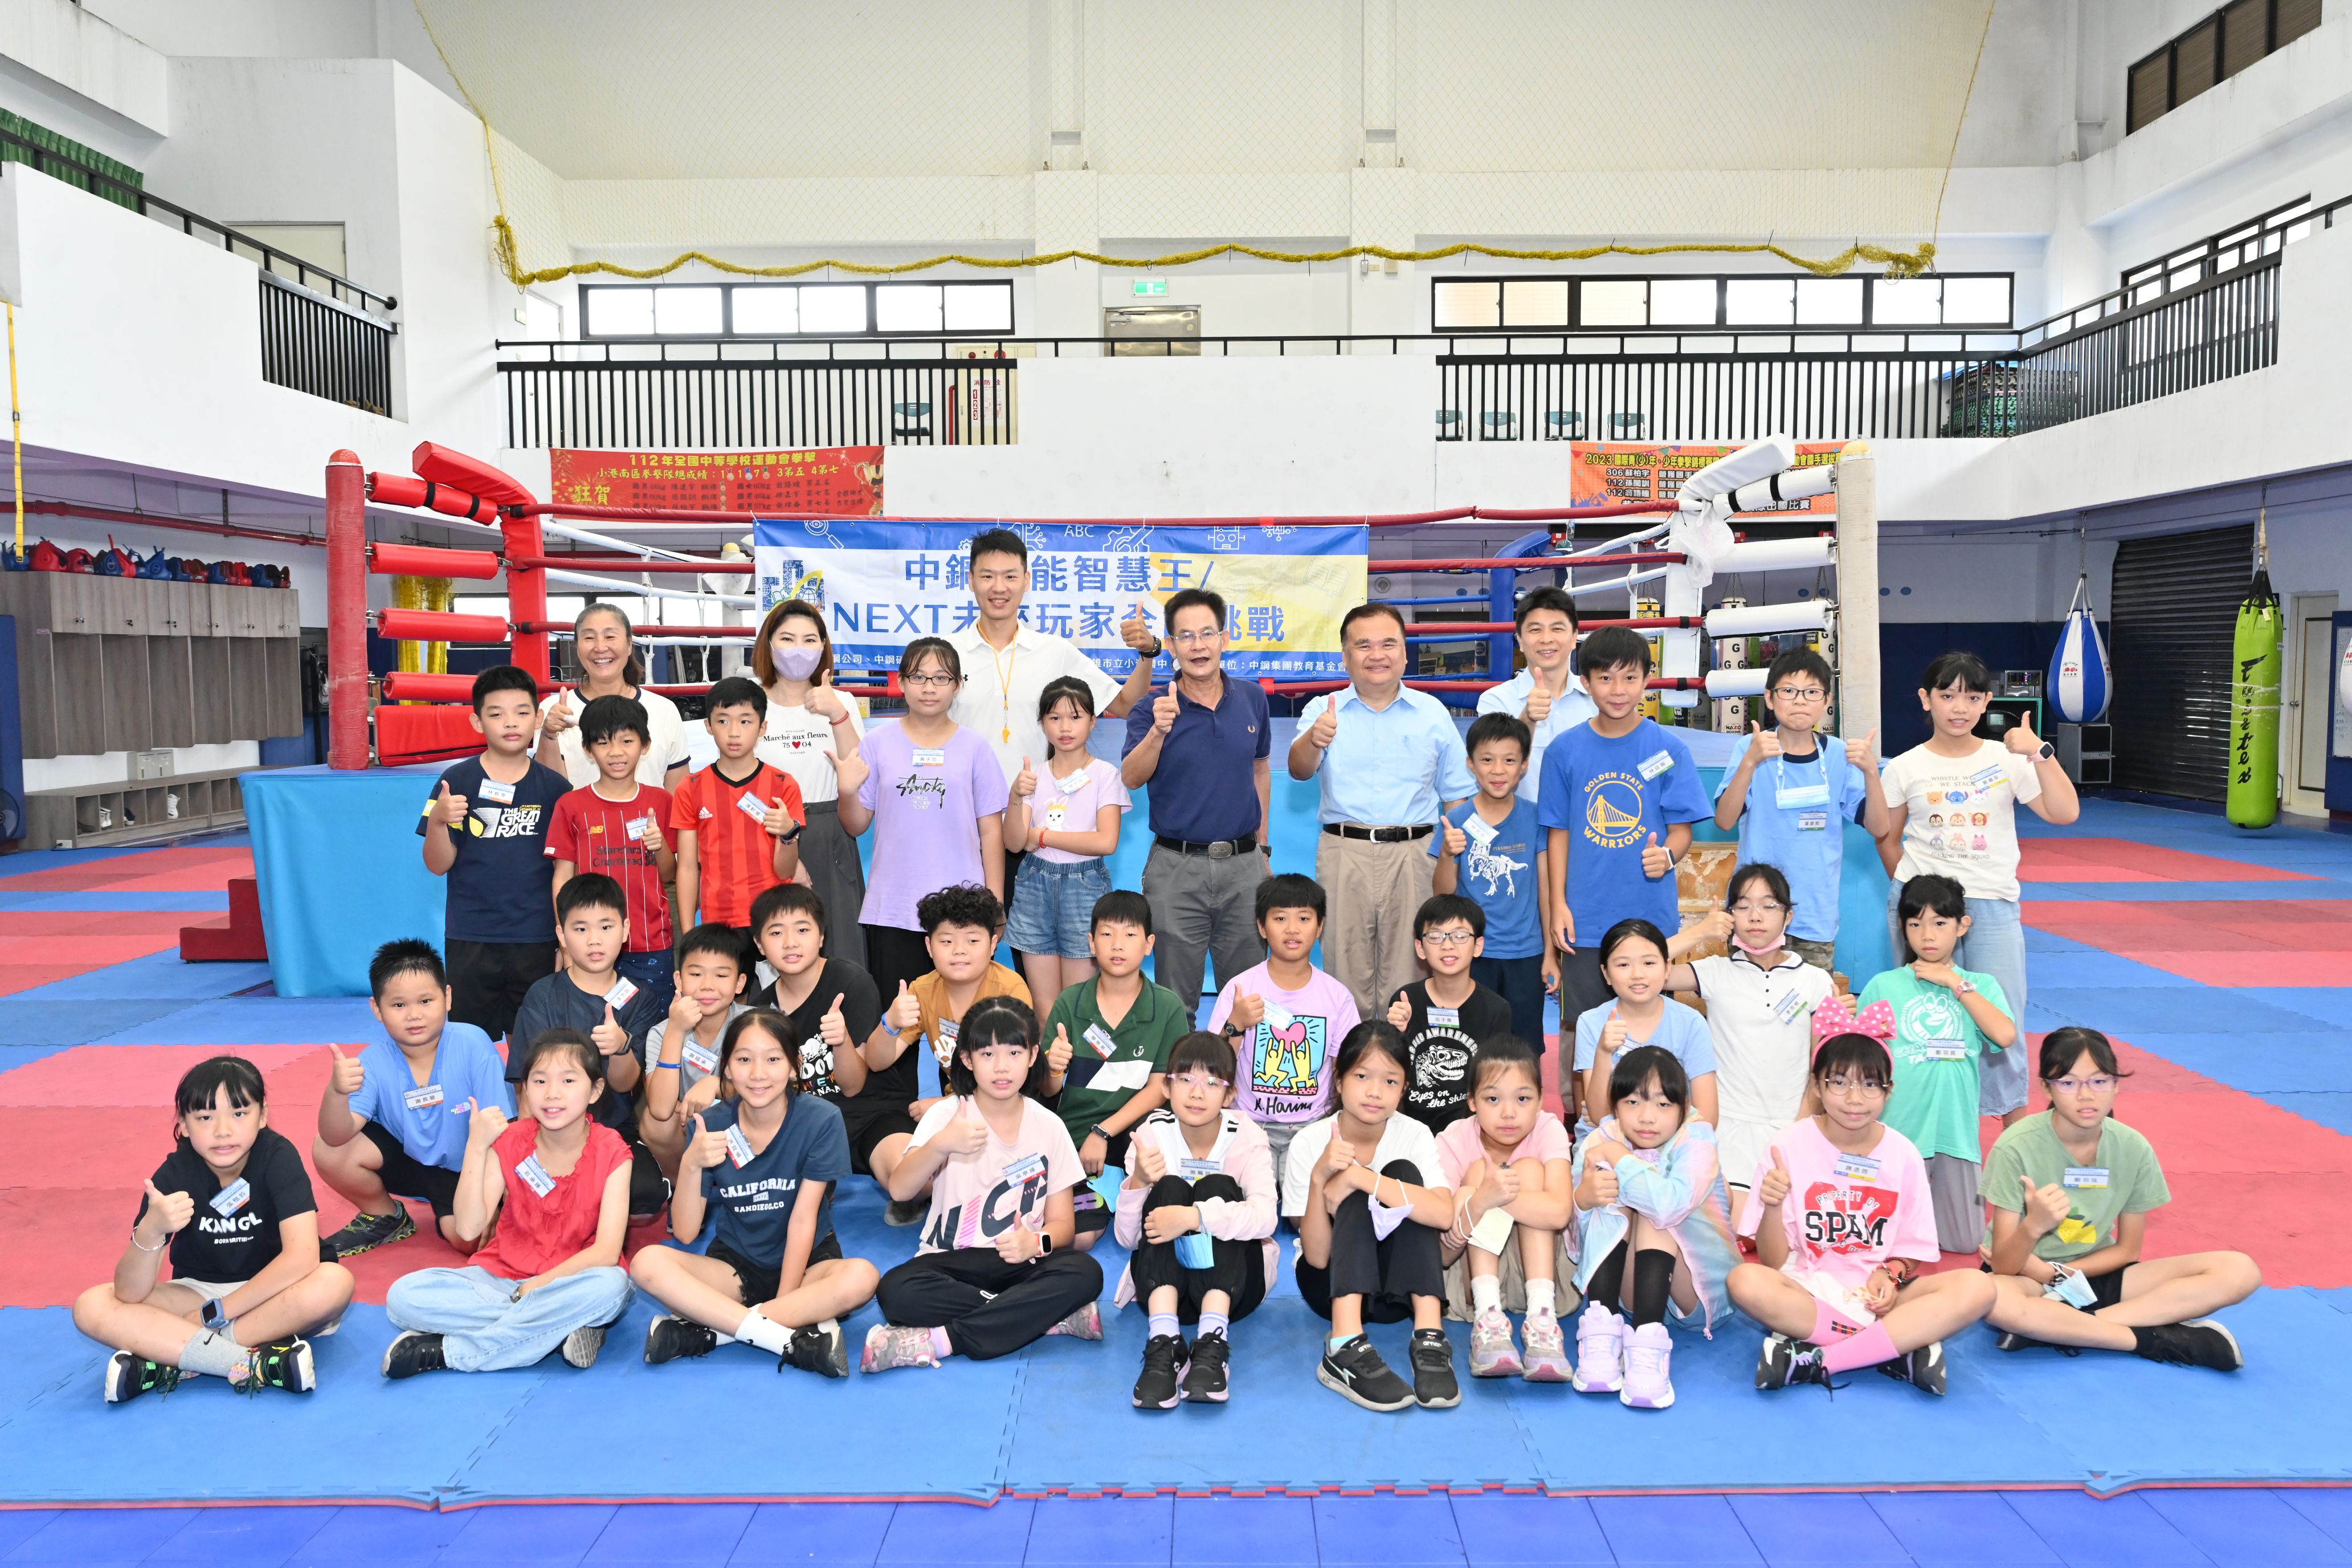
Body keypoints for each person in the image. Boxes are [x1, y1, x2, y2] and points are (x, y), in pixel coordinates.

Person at [1874, 651, 2080, 1126]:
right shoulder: (1904, 766)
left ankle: (2015, 1148)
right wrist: (1912, 897)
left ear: (1987, 701)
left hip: (1991, 904)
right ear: (1926, 699)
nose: (1959, 708)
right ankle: (1922, 1130)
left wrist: (2039, 750)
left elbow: (2065, 812)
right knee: (1920, 1017)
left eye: (1971, 697)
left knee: (2003, 1020)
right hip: (1924, 911)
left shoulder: (2007, 758)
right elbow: (1887, 838)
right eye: (1947, 696)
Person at [1730, 1032, 1997, 1395]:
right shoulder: (1787, 1145)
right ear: (1817, 1086)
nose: (1855, 1099)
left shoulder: (1903, 1154)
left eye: (1870, 1085)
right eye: (1839, 1083)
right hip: (1806, 1289)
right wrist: (1773, 1207)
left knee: (1979, 1287)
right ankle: (1897, 1347)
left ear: (1889, 1091)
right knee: (1744, 1281)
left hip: (1881, 1297)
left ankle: (1823, 1358)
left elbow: (1911, 1251)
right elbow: (1773, 1262)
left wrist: (1889, 1274)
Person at [76, 1056, 354, 1402]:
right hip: (198, 1291)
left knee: (334, 1282)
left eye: (239, 1114)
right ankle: (251, 1363)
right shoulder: (175, 1175)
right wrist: (151, 1229)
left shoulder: (278, 1157)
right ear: (184, 1124)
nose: (223, 1130)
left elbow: (302, 1258)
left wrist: (216, 1314)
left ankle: (174, 1357)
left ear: (263, 1116)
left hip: (276, 1289)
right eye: (205, 1118)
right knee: (92, 1305)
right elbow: (130, 1292)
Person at [1982, 1027, 2255, 1371]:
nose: (2086, 1095)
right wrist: (2034, 1227)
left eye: (2099, 1081)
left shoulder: (2132, 1147)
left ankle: (2065, 1328)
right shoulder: (2015, 1146)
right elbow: (2004, 1264)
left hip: (2096, 1271)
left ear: (2116, 1085)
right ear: (2046, 1087)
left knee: (2240, 1271)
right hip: (2024, 1275)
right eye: (2068, 1083)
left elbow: (2127, 1251)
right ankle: (2150, 1338)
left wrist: (2059, 1275)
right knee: (1996, 1301)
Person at [861, 997, 1107, 1372]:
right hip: (949, 1263)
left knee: (1086, 1272)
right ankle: (1046, 1317)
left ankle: (943, 1340)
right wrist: (941, 1145)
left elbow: (1063, 1226)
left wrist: (1036, 1243)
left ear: (1033, 1055)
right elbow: (900, 1190)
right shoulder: (946, 1115)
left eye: (1014, 1052)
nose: (1001, 1066)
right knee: (896, 1290)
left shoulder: (1049, 1126)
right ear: (966, 1059)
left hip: (1022, 1258)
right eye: (988, 1054)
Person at [631, 1010, 882, 1375]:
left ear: (794, 1067)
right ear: (727, 1069)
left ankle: (715, 1332)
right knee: (647, 1264)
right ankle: (788, 1334)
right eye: (744, 1060)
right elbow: (685, 1233)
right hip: (735, 1264)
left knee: (863, 1277)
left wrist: (785, 1299)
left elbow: (803, 1219)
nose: (758, 1073)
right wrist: (691, 1164)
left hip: (809, 1263)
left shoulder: (821, 1119)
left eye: (773, 1059)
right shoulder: (710, 1124)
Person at [381, 1030, 636, 1378]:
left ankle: (450, 1352)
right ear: (525, 1089)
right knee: (403, 1297)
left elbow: (606, 1252)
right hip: (501, 1279)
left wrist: (537, 1287)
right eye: (540, 1081)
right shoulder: (511, 1140)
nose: (552, 1093)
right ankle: (559, 1327)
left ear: (595, 1090)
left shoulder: (613, 1151)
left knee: (613, 1288)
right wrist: (476, 1147)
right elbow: (468, 1228)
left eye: (568, 1080)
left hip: (572, 1281)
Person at [1288, 602, 1475, 1020]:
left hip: (1417, 854)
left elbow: (1457, 798)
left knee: (1412, 969)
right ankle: (1350, 1058)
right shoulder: (1323, 709)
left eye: (1389, 644)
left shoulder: (1432, 713)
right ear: (1345, 656)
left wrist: (1453, 863)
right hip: (1345, 850)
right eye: (1363, 645)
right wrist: (1315, 739)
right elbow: (1299, 770)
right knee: (1344, 967)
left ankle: (1402, 1060)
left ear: (1405, 654)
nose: (1377, 654)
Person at [1287, 1020, 1460, 1412]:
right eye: (1362, 1076)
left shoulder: (1415, 1134)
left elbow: (1443, 1214)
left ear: (1405, 1088)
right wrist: (1319, 1179)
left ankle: (1429, 1336)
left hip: (1399, 1291)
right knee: (1359, 1193)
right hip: (1328, 1286)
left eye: (1390, 1081)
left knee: (1402, 1175)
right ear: (1339, 1079)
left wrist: (1361, 1178)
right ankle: (1343, 1345)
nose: (1375, 1092)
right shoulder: (1310, 1141)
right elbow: (1316, 1258)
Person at [1541, 626, 1710, 1023]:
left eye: (1630, 677)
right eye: (1605, 678)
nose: (1618, 690)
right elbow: (1557, 835)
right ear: (1586, 683)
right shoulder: (1563, 751)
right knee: (1584, 1031)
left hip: (1650, 919)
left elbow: (1682, 831)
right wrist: (1558, 906)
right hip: (1583, 920)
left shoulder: (1669, 749)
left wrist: (1668, 856)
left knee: (1648, 1031)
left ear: (1647, 680)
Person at [1121, 586, 1273, 1022]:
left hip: (1245, 868)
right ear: (1170, 645)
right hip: (1176, 869)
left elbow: (1260, 769)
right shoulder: (1152, 707)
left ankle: (1238, 1071)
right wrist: (1158, 732)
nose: (1198, 645)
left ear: (1224, 638)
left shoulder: (1252, 699)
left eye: (1207, 633)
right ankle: (1178, 1070)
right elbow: (1131, 778)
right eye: (1185, 636)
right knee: (1175, 1003)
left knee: (1246, 1002)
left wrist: (1263, 848)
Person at [313, 940, 516, 1257]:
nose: (414, 1015)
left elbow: (504, 1130)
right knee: (327, 1149)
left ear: (447, 998)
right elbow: (335, 1136)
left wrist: (498, 1196)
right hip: (412, 1163)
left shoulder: (472, 1044)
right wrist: (336, 1093)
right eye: (399, 1005)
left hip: (470, 1167)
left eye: (425, 1001)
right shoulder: (372, 1062)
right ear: (377, 1009)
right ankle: (385, 1216)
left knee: (470, 1241)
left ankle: (478, 1209)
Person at [1566, 1047, 1740, 1410]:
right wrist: (1582, 1200)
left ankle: (1648, 1344)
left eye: (1662, 1105)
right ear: (1615, 1105)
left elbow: (1667, 1207)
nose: (1646, 1117)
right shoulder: (1602, 1137)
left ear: (1683, 1107)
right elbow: (1575, 1245)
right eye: (1632, 1102)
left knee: (1653, 1205)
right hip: (1630, 1295)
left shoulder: (1697, 1137)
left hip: (1699, 1296)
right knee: (1607, 1191)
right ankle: (1601, 1333)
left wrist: (1619, 1157)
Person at [833, 636, 1007, 997]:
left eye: (941, 678)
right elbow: (856, 825)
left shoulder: (976, 747)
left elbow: (992, 832)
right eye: (918, 677)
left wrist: (994, 904)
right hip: (893, 907)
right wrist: (847, 791)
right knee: (898, 1018)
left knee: (964, 1021)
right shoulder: (876, 744)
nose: (929, 688)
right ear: (901, 682)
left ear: (957, 685)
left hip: (963, 909)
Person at [1664, 864, 1835, 1227]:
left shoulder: (1815, 981)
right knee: (1739, 1229)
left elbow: (1819, 1069)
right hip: (1730, 1128)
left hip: (1793, 1126)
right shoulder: (1715, 972)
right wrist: (1700, 931)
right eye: (1743, 906)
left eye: (1769, 906)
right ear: (1730, 916)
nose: (1756, 916)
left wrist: (1799, 1132)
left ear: (1789, 916)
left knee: (1796, 1233)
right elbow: (1641, 968)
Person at [1114, 1031, 1279, 1408]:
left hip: (1234, 1291)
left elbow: (1266, 1218)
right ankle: (1164, 1342)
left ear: (1230, 1094)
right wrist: (1138, 1182)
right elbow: (1127, 1239)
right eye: (1185, 1079)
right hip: (1164, 1291)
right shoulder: (1151, 1135)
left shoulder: (1246, 1136)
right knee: (1169, 1186)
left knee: (1217, 1186)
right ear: (1166, 1087)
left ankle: (1212, 1342)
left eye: (1212, 1082)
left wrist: (1194, 1216)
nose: (1197, 1093)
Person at [1860, 873, 2019, 1255]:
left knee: (1964, 1243)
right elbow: (1857, 1058)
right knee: (1875, 1240)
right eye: (1916, 925)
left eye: (1940, 923)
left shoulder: (1980, 986)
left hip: (1954, 1134)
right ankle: (1912, 1213)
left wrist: (1954, 983)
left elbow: (2004, 1035)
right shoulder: (1884, 985)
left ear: (1963, 926)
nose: (1927, 936)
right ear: (1903, 928)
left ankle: (1922, 1212)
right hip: (1898, 1130)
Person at [1710, 648, 1885, 973]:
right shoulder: (1750, 748)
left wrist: (1872, 773)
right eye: (1789, 691)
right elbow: (1724, 820)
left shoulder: (1839, 754)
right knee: (1749, 998)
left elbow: (1879, 827)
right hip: (1755, 913)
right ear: (1770, 698)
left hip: (1815, 914)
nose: (1800, 701)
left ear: (1827, 700)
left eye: (1812, 692)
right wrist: (1750, 762)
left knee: (1809, 1002)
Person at [418, 665, 569, 1042]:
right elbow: (436, 865)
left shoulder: (555, 788)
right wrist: (438, 821)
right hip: (471, 937)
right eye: (497, 714)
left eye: (522, 712)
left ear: (537, 719)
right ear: (477, 722)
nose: (510, 723)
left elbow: (567, 871)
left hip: (536, 939)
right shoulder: (454, 781)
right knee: (469, 1045)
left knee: (535, 1048)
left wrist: (563, 938)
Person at [869, 884, 1032, 1224]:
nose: (959, 951)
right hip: (954, 1116)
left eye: (972, 940)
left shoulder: (1010, 990)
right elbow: (877, 1061)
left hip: (1003, 1109)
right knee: (903, 1178)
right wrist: (891, 1023)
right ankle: (935, 1189)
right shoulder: (923, 989)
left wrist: (948, 1103)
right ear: (929, 947)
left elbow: (1012, 1076)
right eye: (946, 941)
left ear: (993, 945)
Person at [508, 875, 669, 1216]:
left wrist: (621, 1046)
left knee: (644, 1194)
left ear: (625, 930)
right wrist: (529, 1150)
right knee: (499, 1178)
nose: (594, 940)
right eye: (580, 929)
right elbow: (527, 1086)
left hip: (611, 1129)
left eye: (606, 927)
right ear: (561, 935)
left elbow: (625, 1085)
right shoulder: (543, 995)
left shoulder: (641, 998)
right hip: (549, 1126)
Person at [1040, 890, 1187, 1249]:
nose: (1117, 944)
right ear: (1092, 943)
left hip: (1138, 1130)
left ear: (1149, 945)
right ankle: (1101, 1190)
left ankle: (1133, 1188)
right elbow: (1047, 1092)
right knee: (1079, 1238)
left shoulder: (1167, 1007)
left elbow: (1160, 1089)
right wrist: (1053, 1068)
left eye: (1130, 934)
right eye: (1107, 934)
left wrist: (1103, 1132)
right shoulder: (1069, 1002)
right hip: (1076, 1135)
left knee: (1161, 1213)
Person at [1434, 1035, 1574, 1383]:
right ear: (1472, 1101)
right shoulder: (1452, 1140)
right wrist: (1480, 1198)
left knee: (1526, 1170)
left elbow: (1560, 1213)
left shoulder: (1548, 1129)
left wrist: (1493, 1197)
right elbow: (1443, 1256)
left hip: (1540, 1277)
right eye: (1493, 1099)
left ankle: (1542, 1321)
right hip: (1471, 1285)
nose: (1509, 1113)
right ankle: (1489, 1320)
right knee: (1480, 1175)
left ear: (1540, 1101)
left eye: (1523, 1099)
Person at [1205, 873, 1363, 1177]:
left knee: (1308, 1201)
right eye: (1280, 919)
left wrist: (1337, 1127)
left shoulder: (1337, 996)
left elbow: (1344, 1070)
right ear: (1262, 927)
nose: (1292, 929)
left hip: (1312, 1127)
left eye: (1304, 918)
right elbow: (1214, 1069)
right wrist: (1236, 1023)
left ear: (1320, 926)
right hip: (1248, 1126)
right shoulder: (1240, 989)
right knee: (1246, 1198)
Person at [741, 884, 896, 1182]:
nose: (790, 943)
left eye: (802, 930)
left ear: (821, 936)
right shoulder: (759, 1011)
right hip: (804, 1124)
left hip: (870, 1115)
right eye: (776, 933)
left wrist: (841, 1041)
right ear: (759, 945)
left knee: (908, 1180)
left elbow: (853, 1086)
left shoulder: (851, 982)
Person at [752, 598, 870, 969]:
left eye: (809, 640)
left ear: (823, 647)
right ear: (769, 645)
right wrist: (786, 852)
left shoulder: (842, 701)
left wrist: (837, 714)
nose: (798, 650)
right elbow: (738, 781)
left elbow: (860, 773)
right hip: (767, 835)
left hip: (830, 834)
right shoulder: (751, 703)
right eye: (787, 639)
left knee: (839, 951)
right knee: (774, 952)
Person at [1005, 675, 1132, 1018]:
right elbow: (1015, 842)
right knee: (1044, 1007)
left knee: (1078, 1007)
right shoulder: (1033, 776)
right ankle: (1049, 1058)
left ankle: (1076, 1057)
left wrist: (1042, 836)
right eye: (1055, 717)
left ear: (1093, 721)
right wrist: (1015, 797)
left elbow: (1105, 842)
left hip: (1083, 886)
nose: (1065, 727)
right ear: (1042, 722)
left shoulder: (1105, 774)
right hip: (1034, 885)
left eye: (1075, 717)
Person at [545, 695, 679, 1015]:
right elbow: (562, 878)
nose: (616, 752)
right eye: (603, 743)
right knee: (593, 1029)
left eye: (627, 741)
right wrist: (566, 944)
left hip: (651, 943)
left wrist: (659, 846)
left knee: (652, 1029)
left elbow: (669, 875)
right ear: (588, 750)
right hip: (590, 947)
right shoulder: (571, 805)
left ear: (645, 745)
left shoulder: (661, 801)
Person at [1433, 712, 1553, 1046]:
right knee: (1471, 1044)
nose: (1498, 770)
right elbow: (1442, 896)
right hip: (1472, 954)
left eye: (1509, 760)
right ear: (1471, 764)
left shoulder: (1536, 817)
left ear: (1524, 765)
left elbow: (1545, 890)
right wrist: (1447, 853)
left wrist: (1549, 954)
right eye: (1487, 760)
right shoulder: (1455, 820)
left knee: (1524, 1046)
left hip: (1526, 953)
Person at [669, 675, 805, 936]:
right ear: (708, 726)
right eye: (723, 721)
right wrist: (688, 935)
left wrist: (788, 834)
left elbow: (785, 871)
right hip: (717, 923)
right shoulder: (690, 787)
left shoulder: (783, 785)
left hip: (773, 921)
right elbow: (686, 867)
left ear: (762, 727)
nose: (734, 732)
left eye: (745, 721)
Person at [631, 921, 753, 1179]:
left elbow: (778, 1086)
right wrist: (676, 1031)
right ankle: (682, 1187)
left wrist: (717, 1086)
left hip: (745, 1122)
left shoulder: (755, 1025)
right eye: (696, 974)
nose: (707, 985)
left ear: (739, 983)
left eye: (721, 976)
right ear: (679, 979)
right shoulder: (662, 1033)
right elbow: (660, 1110)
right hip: (689, 1128)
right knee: (656, 1124)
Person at [1383, 895, 1514, 1133]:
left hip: (1471, 1131)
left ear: (1478, 946)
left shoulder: (1496, 1009)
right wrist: (1395, 1034)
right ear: (1420, 948)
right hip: (1411, 1129)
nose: (1447, 945)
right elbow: (1388, 1072)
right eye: (1435, 936)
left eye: (1460, 936)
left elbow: (1497, 1081)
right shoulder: (1405, 1000)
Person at [1573, 920, 1718, 1132]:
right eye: (1623, 965)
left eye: (1649, 963)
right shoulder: (1591, 1022)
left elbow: (1707, 1117)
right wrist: (1603, 1052)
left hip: (1674, 1137)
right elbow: (1599, 1116)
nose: (1637, 974)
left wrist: (1657, 1139)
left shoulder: (1691, 1022)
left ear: (1667, 967)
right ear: (1606, 974)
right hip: (1610, 1139)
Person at [534, 601, 691, 789]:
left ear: (629, 644)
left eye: (610, 636)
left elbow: (678, 794)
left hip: (652, 810)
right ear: (577, 647)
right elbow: (548, 790)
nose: (600, 647)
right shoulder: (554, 710)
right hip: (575, 810)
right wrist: (549, 734)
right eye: (589, 638)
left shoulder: (664, 710)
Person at [1475, 587, 1595, 807]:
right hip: (1523, 826)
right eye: (1536, 630)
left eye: (1557, 628)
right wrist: (1526, 720)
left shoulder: (1597, 699)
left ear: (1574, 638)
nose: (1546, 639)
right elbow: (1494, 772)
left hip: (1586, 822)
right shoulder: (1495, 701)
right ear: (1520, 640)